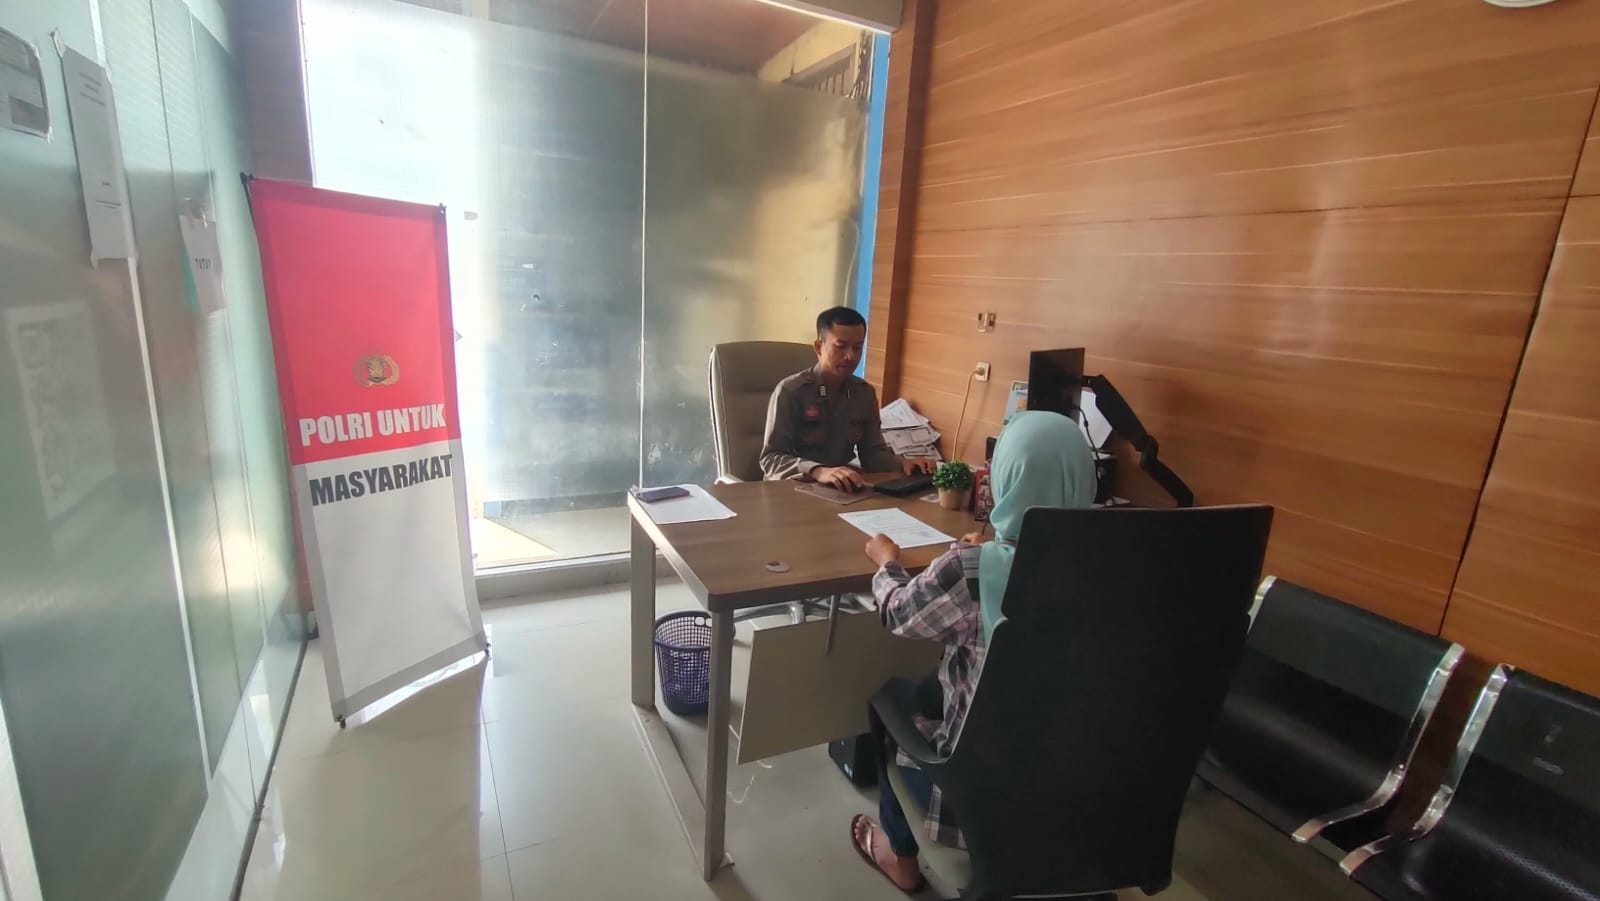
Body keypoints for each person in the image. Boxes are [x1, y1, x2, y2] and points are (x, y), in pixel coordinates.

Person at [848, 411, 1097, 894]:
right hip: (1083, 802)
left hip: (979, 804)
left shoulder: (973, 569)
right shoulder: (1121, 572)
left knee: (892, 703)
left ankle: (901, 858)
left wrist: (887, 561)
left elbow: (898, 613)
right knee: (933, 688)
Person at [760, 307, 937, 490]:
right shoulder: (791, 391)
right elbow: (771, 459)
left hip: (838, 489)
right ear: (819, 347)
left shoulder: (864, 394)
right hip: (789, 489)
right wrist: (817, 471)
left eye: (857, 348)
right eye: (840, 346)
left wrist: (904, 463)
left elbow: (873, 454)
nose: (850, 356)